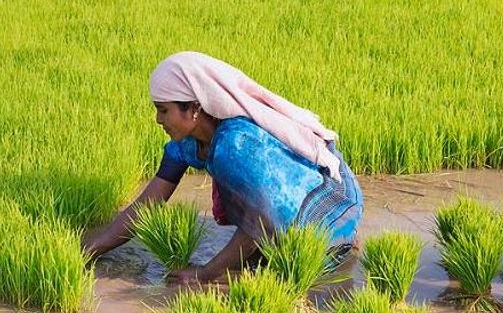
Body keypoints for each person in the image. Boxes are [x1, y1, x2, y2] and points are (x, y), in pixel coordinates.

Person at [81, 51, 363, 287]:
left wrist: (204, 274)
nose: (158, 119)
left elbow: (260, 224)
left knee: (280, 275)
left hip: (325, 220)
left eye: (163, 110)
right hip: (282, 213)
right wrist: (90, 249)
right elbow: (147, 204)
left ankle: (342, 242)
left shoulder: (235, 144)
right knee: (253, 259)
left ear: (193, 108)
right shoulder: (186, 145)